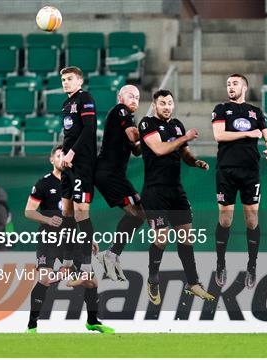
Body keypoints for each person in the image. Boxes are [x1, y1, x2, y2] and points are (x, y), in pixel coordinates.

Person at [24, 145, 114, 334]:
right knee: (45, 277)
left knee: (91, 281)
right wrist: (47, 219)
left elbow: (81, 213)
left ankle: (92, 321)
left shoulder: (76, 182)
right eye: (58, 155)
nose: (62, 158)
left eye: (64, 155)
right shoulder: (43, 183)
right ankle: (32, 326)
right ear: (52, 160)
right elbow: (28, 211)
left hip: (72, 238)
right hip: (49, 238)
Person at [138, 89, 214, 305]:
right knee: (161, 237)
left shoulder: (177, 125)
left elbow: (184, 153)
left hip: (176, 189)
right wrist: (185, 137)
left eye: (170, 103)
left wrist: (195, 161)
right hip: (155, 191)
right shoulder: (146, 123)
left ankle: (193, 282)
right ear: (154, 105)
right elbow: (160, 149)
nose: (167, 107)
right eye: (163, 103)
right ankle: (153, 279)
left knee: (186, 236)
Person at [211, 73, 267, 289]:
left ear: (244, 87)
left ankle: (252, 264)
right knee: (226, 219)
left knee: (251, 219)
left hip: (250, 171)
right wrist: (249, 134)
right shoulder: (221, 109)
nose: (230, 87)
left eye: (235, 83)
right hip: (226, 170)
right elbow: (219, 135)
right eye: (228, 83)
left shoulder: (255, 112)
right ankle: (221, 262)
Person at [95, 85, 145, 280]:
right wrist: (153, 132)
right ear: (120, 97)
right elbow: (134, 136)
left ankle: (111, 254)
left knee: (140, 213)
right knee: (138, 214)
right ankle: (111, 254)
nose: (134, 99)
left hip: (117, 176)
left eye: (138, 97)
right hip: (108, 174)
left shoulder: (127, 121)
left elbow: (137, 150)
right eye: (130, 96)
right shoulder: (120, 110)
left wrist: (141, 140)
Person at [59, 66, 97, 280]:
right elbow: (69, 133)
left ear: (79, 81)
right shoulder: (66, 103)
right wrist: (64, 155)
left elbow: (89, 128)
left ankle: (86, 264)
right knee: (67, 211)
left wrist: (72, 153)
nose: (66, 82)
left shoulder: (85, 98)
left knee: (82, 210)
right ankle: (67, 259)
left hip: (82, 163)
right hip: (68, 165)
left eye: (70, 78)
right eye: (63, 79)